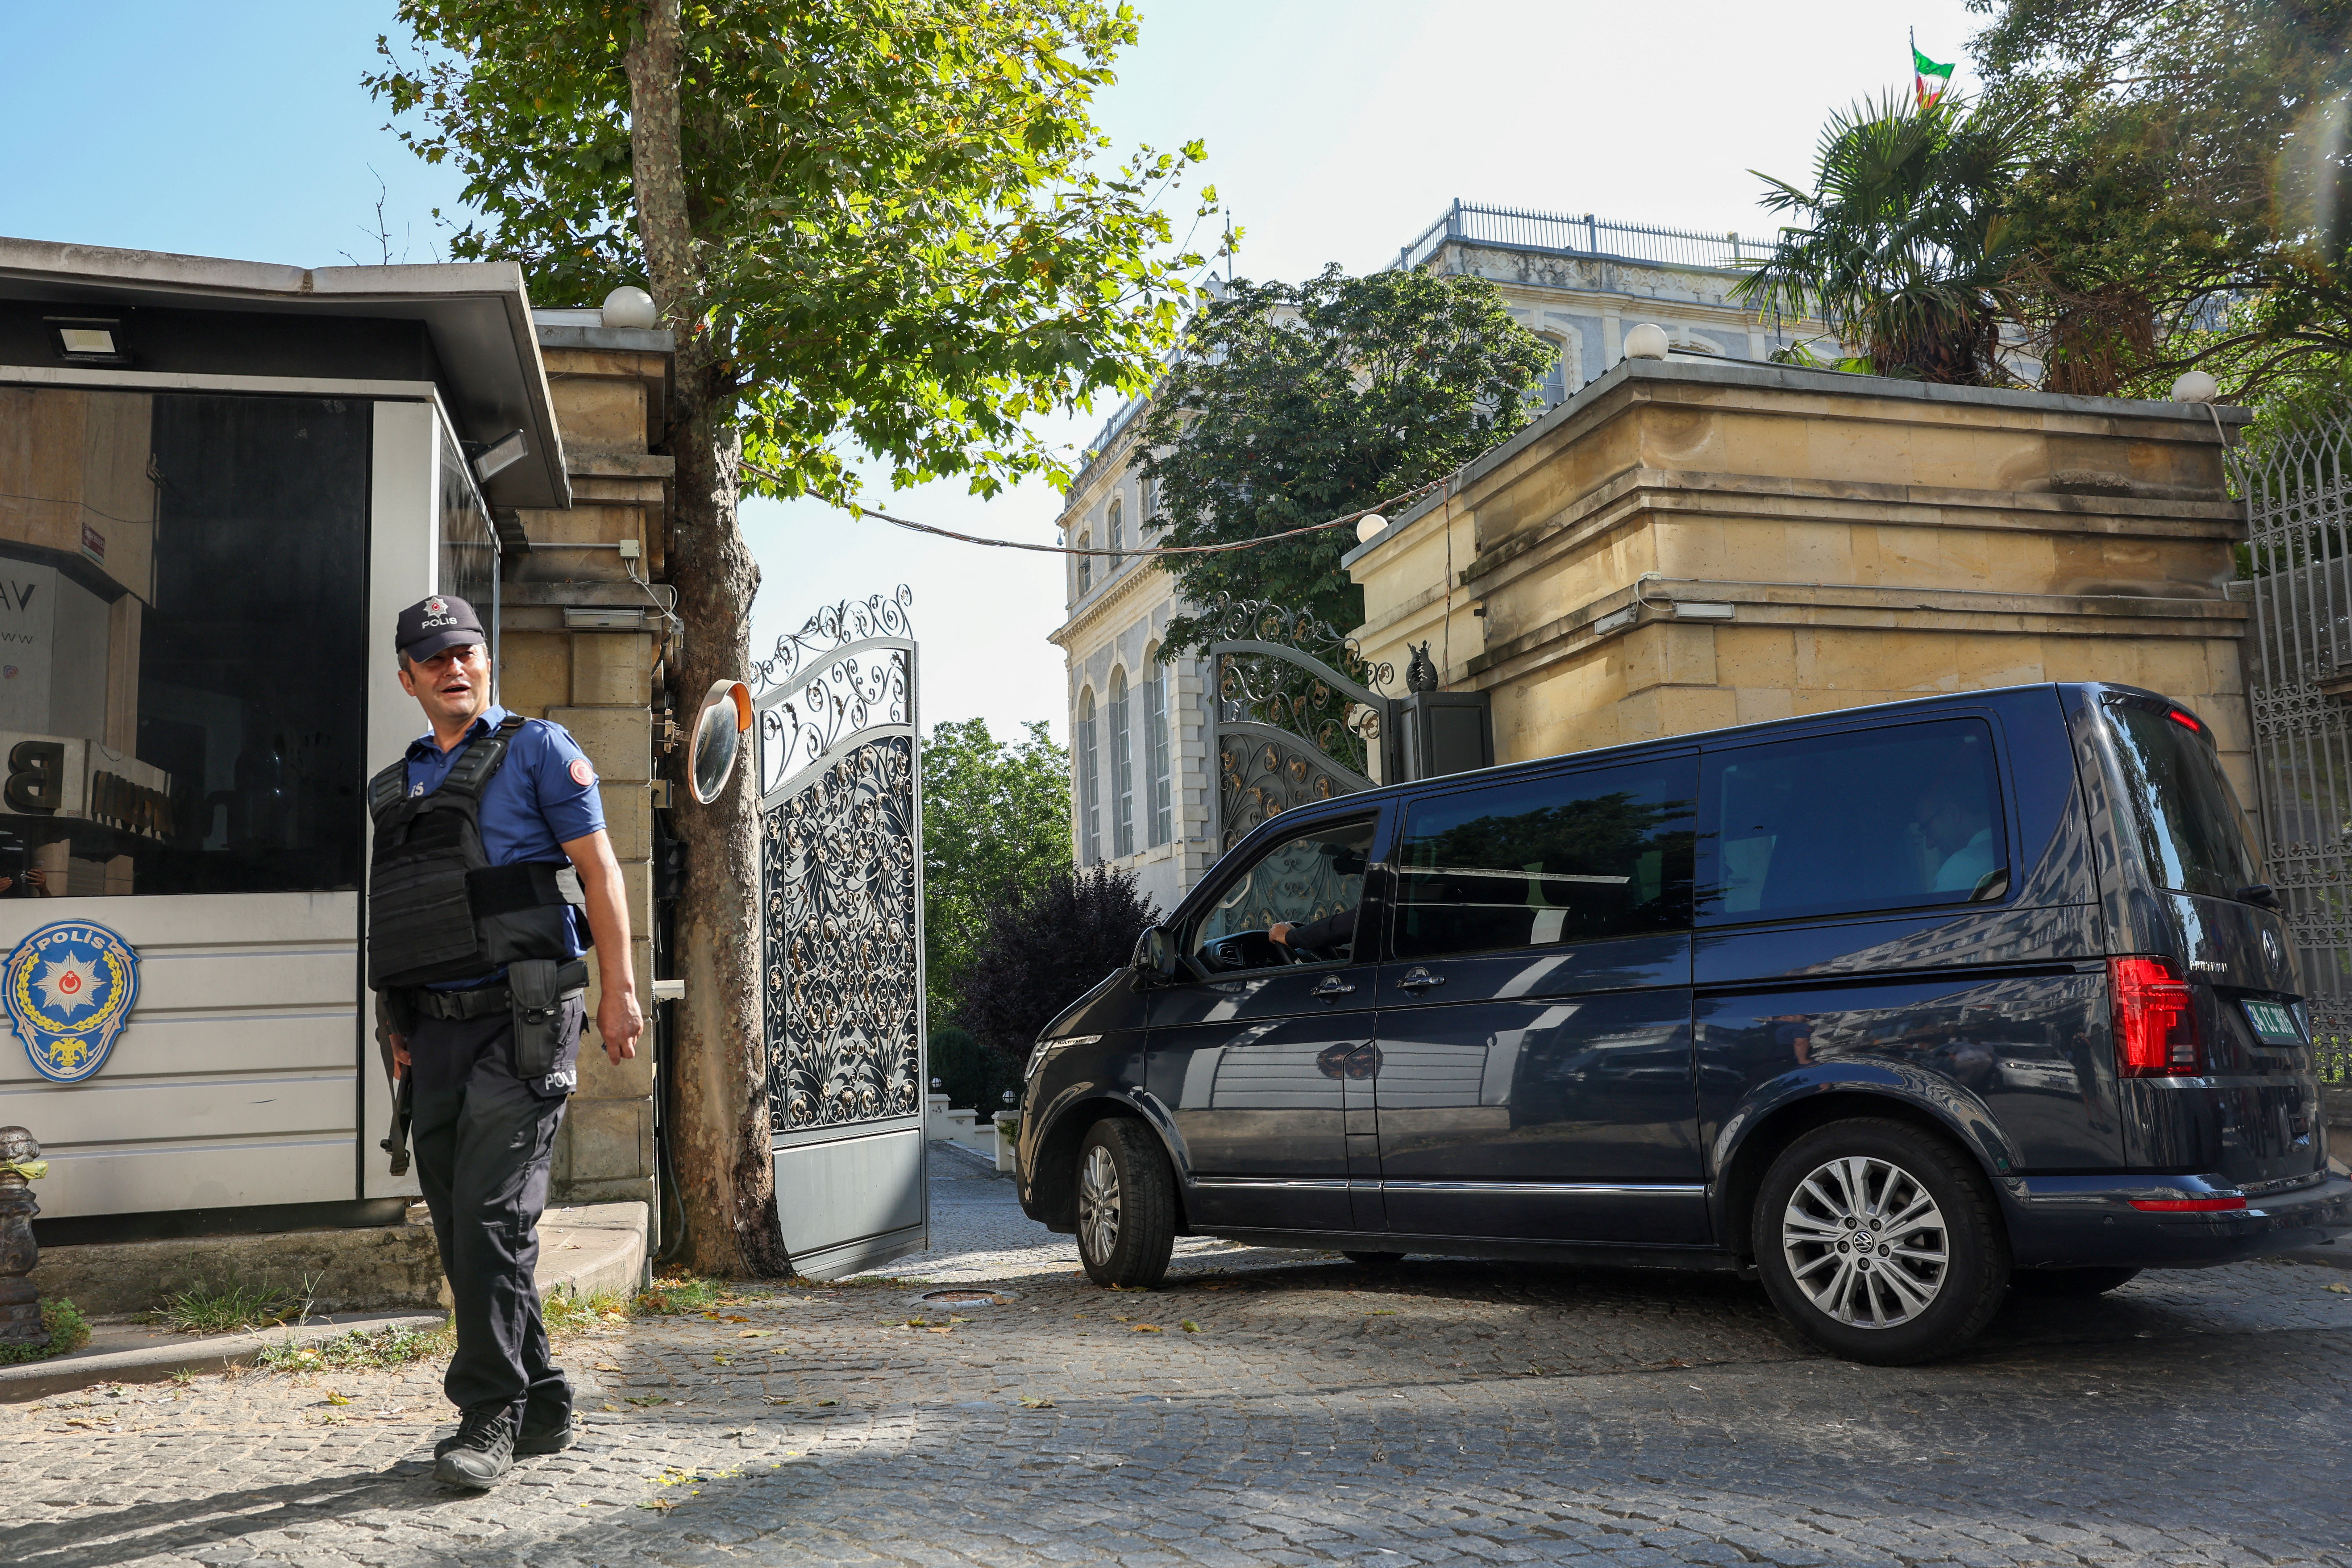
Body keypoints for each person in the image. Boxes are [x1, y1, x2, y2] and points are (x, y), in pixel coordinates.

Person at [370, 594, 645, 1490]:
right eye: (433, 657)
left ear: (486, 663)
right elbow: (404, 916)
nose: (454, 667)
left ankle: (488, 1414)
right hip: (433, 1032)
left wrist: (620, 990)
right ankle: (545, 1392)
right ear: (407, 677)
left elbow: (600, 874)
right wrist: (395, 1024)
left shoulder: (539, 750)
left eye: (467, 652)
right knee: (460, 1231)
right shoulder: (399, 782)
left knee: (494, 1217)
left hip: (523, 1018)